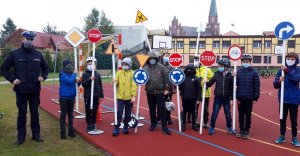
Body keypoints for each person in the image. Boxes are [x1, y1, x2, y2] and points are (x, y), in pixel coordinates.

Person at [1, 31, 49, 145]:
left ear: (33, 41)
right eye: (27, 39)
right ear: (23, 39)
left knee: (35, 113)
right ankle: (21, 137)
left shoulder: (38, 54)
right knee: (22, 113)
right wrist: (12, 80)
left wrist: (43, 76)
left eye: (31, 39)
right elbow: (3, 68)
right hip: (21, 90)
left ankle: (36, 135)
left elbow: (46, 68)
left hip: (34, 90)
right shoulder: (15, 54)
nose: (29, 41)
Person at [273, 52, 300, 147]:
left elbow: (297, 79)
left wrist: (287, 71)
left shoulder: (298, 69)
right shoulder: (281, 71)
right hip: (283, 99)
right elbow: (275, 85)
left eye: (292, 59)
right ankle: (282, 136)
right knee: (282, 119)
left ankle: (294, 137)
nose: (290, 61)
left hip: (294, 99)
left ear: (296, 60)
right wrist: (279, 81)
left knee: (293, 120)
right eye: (288, 59)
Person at [204, 58, 236, 135]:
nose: (219, 67)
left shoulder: (230, 75)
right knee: (215, 112)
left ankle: (229, 127)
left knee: (227, 113)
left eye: (221, 66)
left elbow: (232, 88)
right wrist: (205, 82)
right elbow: (210, 84)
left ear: (226, 67)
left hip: (227, 98)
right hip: (218, 97)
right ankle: (212, 127)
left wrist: (232, 99)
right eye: (219, 65)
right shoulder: (216, 74)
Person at [144, 52, 171, 135]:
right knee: (152, 109)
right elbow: (141, 78)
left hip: (160, 92)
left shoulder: (161, 67)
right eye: (150, 59)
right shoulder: (145, 69)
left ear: (156, 59)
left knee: (161, 109)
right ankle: (153, 123)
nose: (152, 60)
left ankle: (164, 126)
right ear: (148, 59)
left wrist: (167, 89)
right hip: (150, 92)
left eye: (153, 58)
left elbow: (167, 78)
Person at [235, 54, 260, 139]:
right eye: (244, 61)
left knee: (248, 114)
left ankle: (246, 130)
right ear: (242, 62)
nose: (245, 63)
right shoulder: (238, 72)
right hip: (240, 97)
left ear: (250, 62)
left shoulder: (254, 72)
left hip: (249, 97)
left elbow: (257, 85)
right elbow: (235, 83)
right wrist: (234, 77)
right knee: (241, 114)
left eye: (247, 61)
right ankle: (241, 130)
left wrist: (256, 97)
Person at [112, 57, 137, 136]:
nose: (124, 65)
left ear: (129, 65)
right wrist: (114, 82)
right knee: (119, 112)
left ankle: (126, 126)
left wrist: (133, 96)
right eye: (123, 64)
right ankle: (117, 127)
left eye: (126, 64)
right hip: (120, 97)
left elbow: (134, 85)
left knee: (128, 114)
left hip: (129, 98)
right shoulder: (119, 72)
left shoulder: (132, 73)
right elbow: (116, 82)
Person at [59, 59, 80, 139]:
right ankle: (62, 132)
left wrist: (78, 81)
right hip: (64, 97)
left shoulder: (71, 73)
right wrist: (74, 74)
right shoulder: (62, 74)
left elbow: (74, 83)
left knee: (71, 115)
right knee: (63, 115)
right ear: (65, 65)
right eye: (69, 64)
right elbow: (69, 81)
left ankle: (71, 131)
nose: (70, 66)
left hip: (71, 97)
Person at [82, 57, 104, 132]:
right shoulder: (85, 74)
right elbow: (84, 84)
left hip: (96, 96)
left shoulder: (97, 74)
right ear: (87, 65)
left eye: (92, 64)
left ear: (95, 65)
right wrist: (90, 79)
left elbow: (100, 85)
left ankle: (93, 123)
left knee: (95, 110)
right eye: (89, 64)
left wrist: (101, 95)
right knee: (88, 110)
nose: (90, 65)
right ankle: (88, 124)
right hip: (88, 96)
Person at [179, 64, 201, 131]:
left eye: (191, 69)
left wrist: (198, 99)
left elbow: (199, 89)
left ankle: (194, 124)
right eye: (188, 69)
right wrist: (177, 84)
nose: (189, 70)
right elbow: (180, 88)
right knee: (184, 111)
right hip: (185, 97)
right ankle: (183, 124)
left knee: (193, 112)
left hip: (193, 98)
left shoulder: (196, 78)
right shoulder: (183, 78)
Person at [194, 56, 214, 128]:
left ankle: (205, 122)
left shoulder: (208, 70)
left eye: (198, 60)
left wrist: (207, 82)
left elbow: (212, 80)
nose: (197, 62)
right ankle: (195, 121)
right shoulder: (194, 70)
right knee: (195, 108)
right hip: (196, 93)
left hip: (205, 93)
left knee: (205, 109)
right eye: (197, 60)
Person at [157, 52, 174, 125]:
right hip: (160, 89)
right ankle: (159, 117)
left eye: (168, 56)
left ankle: (168, 117)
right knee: (160, 104)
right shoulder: (158, 66)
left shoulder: (171, 67)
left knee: (168, 103)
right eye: (166, 56)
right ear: (162, 57)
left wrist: (173, 88)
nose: (167, 57)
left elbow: (173, 78)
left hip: (169, 89)